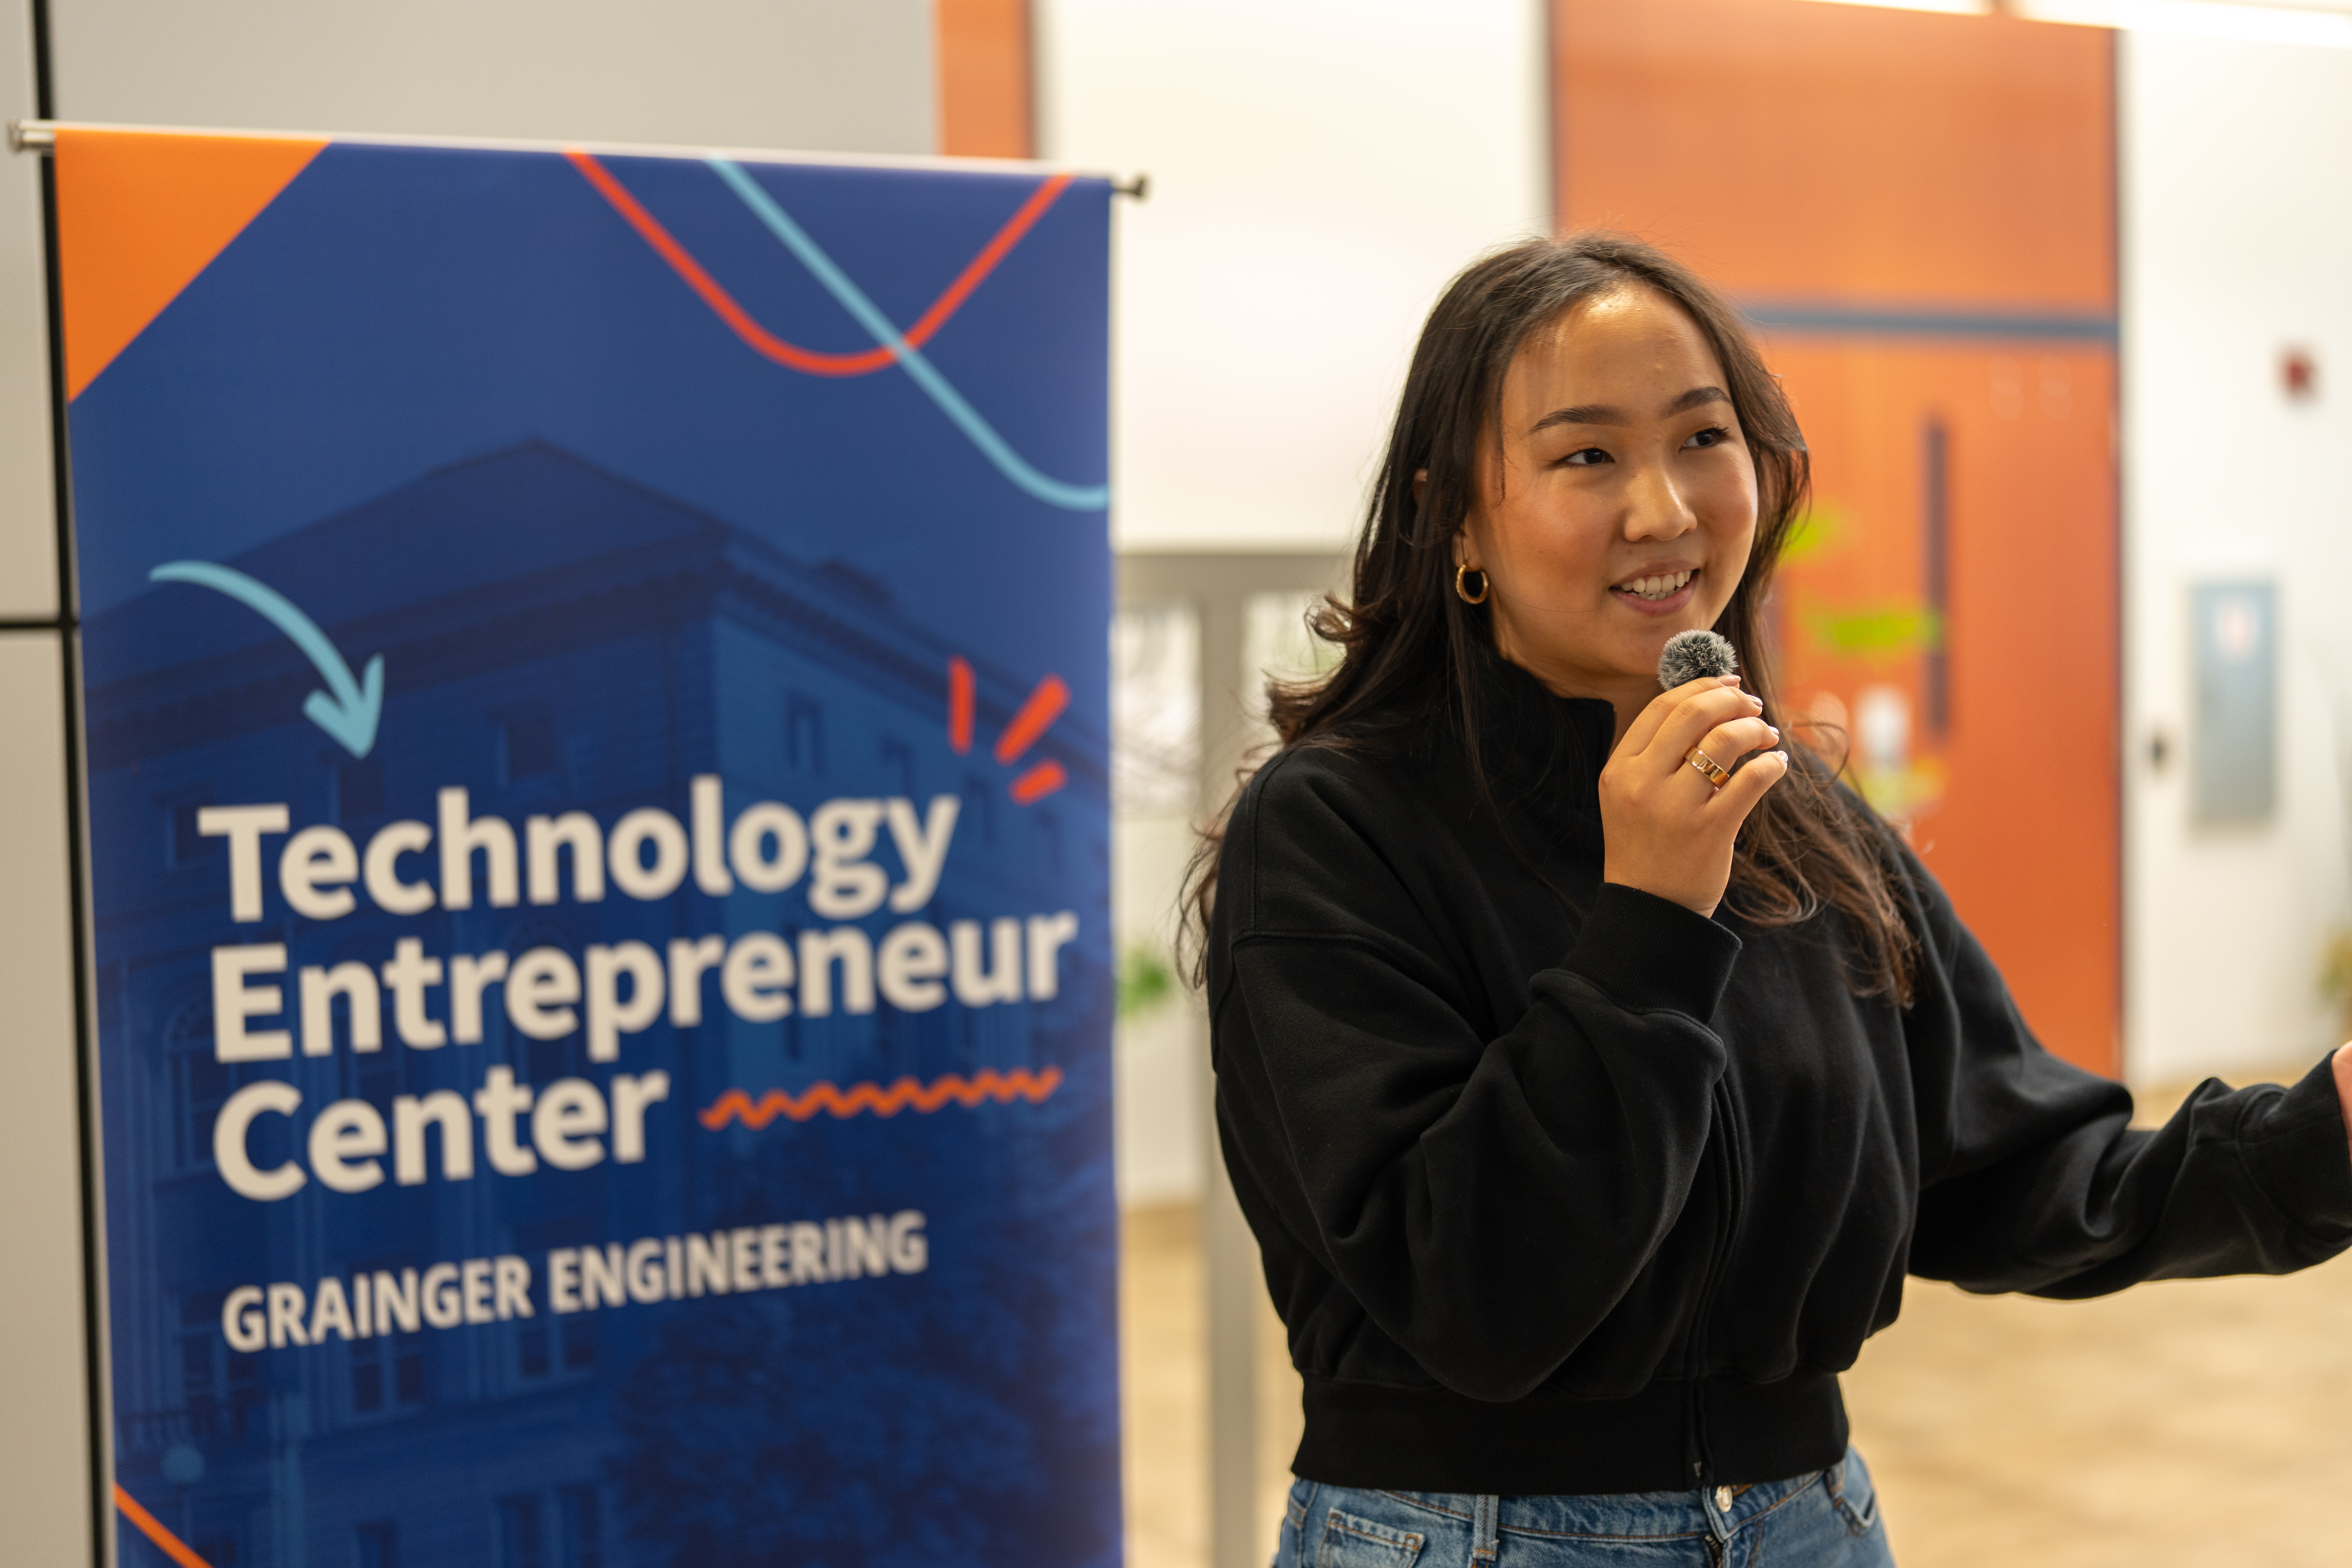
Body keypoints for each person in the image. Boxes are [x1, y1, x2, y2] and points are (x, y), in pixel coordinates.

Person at [1188, 233, 2352, 1567]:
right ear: (1455, 514)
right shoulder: (1336, 830)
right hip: (1469, 1534)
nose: (1667, 510)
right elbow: (1480, 1299)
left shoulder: (1791, 808)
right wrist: (1649, 925)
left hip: (1810, 1521)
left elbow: (2011, 1164)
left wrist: (2320, 1139)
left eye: (1702, 437)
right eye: (1586, 456)